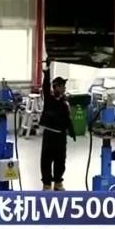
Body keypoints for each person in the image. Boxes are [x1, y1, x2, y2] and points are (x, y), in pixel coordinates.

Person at [39, 58, 75, 191]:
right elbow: (45, 86)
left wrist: (71, 130)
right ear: (57, 87)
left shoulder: (64, 101)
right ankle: (47, 184)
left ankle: (58, 182)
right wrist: (47, 71)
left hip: (61, 135)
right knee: (46, 160)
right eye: (62, 86)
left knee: (60, 160)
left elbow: (67, 118)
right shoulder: (50, 99)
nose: (64, 88)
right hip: (50, 135)